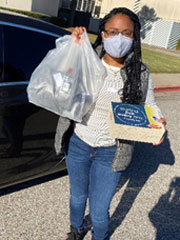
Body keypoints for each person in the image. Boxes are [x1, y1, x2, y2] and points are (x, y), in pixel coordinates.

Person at [54, 7, 166, 240]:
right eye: (113, 31)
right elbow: (61, 82)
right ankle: (76, 229)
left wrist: (157, 123)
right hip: (80, 142)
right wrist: (72, 49)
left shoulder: (141, 74)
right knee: (77, 196)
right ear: (102, 34)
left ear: (135, 38)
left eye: (126, 33)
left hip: (112, 150)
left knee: (99, 211)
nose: (119, 38)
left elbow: (151, 106)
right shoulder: (86, 59)